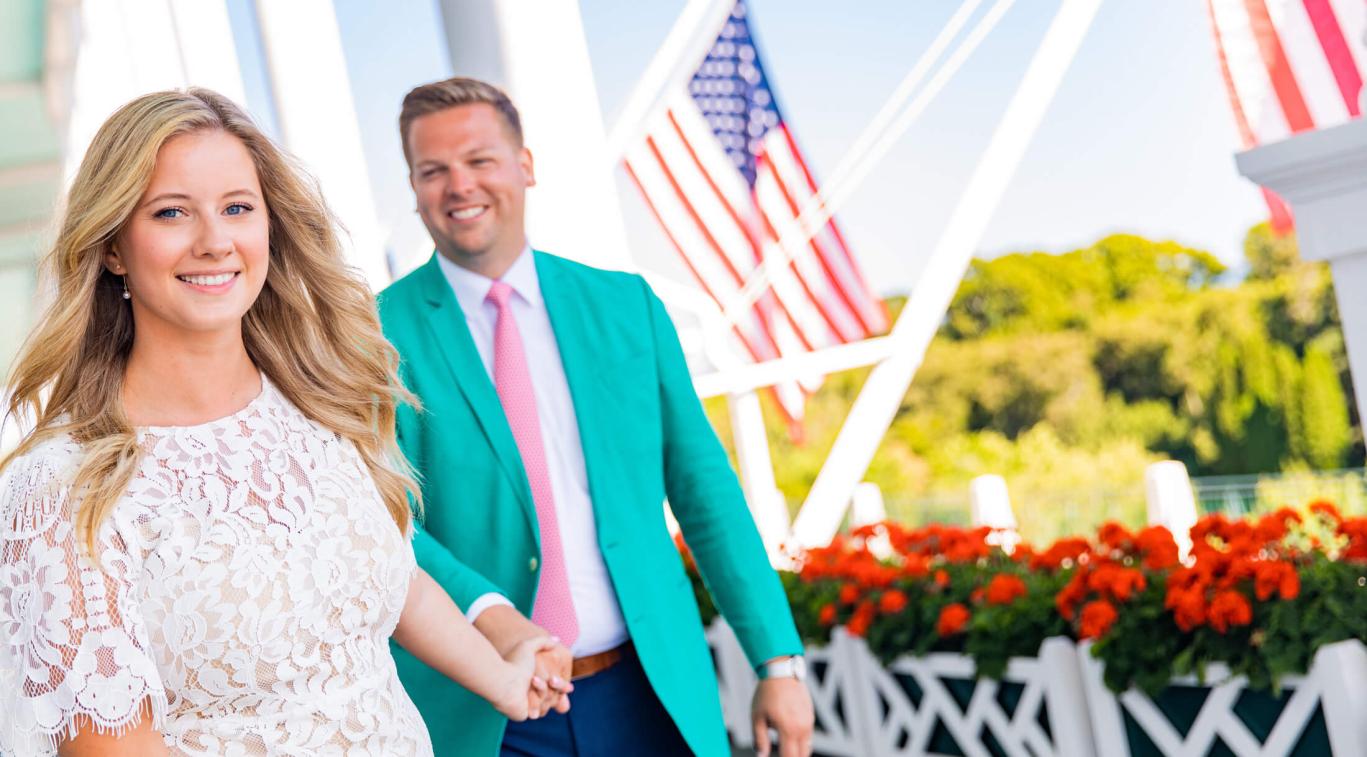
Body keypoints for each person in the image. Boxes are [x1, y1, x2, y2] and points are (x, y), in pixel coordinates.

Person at [0, 88, 555, 757]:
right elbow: (111, 746)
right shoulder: (62, 485)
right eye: (172, 212)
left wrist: (504, 678)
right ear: (114, 247)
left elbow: (393, 576)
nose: (214, 241)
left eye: (237, 208)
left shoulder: (320, 405)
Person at [379, 77, 816, 757]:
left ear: (524, 166)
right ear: (412, 188)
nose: (458, 185)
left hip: (647, 691)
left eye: (479, 160)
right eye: (432, 171)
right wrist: (493, 620)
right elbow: (386, 518)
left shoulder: (626, 306)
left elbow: (705, 492)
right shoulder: (373, 336)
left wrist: (777, 662)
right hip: (482, 709)